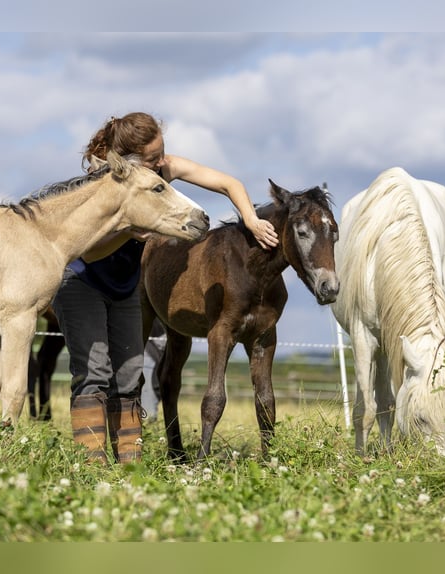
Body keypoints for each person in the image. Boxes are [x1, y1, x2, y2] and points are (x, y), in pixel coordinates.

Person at [52, 112, 279, 463]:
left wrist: (250, 218)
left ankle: (130, 465)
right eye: (152, 157)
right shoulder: (103, 183)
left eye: (162, 152)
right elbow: (87, 250)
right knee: (95, 372)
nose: (161, 161)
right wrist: (131, 229)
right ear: (127, 159)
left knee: (128, 376)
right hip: (82, 279)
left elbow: (228, 183)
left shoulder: (162, 169)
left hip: (125, 284)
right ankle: (91, 467)